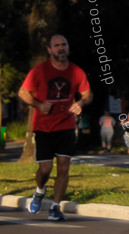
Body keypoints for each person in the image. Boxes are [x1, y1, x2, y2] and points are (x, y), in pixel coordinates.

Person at [18, 34, 93, 221]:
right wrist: (38, 104)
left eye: (64, 45)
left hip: (66, 124)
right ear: (50, 50)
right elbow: (23, 92)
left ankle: (55, 206)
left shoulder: (76, 71)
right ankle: (40, 190)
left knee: (64, 166)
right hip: (43, 126)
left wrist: (81, 103)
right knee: (45, 169)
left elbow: (87, 94)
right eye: (57, 45)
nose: (61, 48)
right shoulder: (39, 71)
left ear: (68, 47)